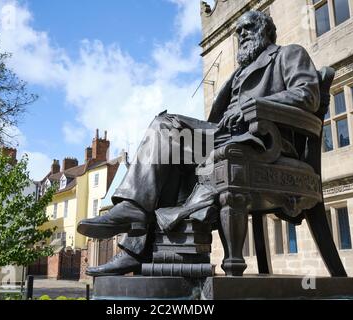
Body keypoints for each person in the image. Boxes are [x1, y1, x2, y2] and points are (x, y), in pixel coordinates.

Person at [77, 10, 320, 276]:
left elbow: (307, 95)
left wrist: (257, 105)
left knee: (165, 131)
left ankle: (134, 227)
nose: (241, 34)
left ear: (266, 29)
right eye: (237, 31)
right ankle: (134, 240)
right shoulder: (238, 73)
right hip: (223, 137)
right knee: (164, 132)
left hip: (263, 141)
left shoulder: (289, 54)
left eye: (248, 27)